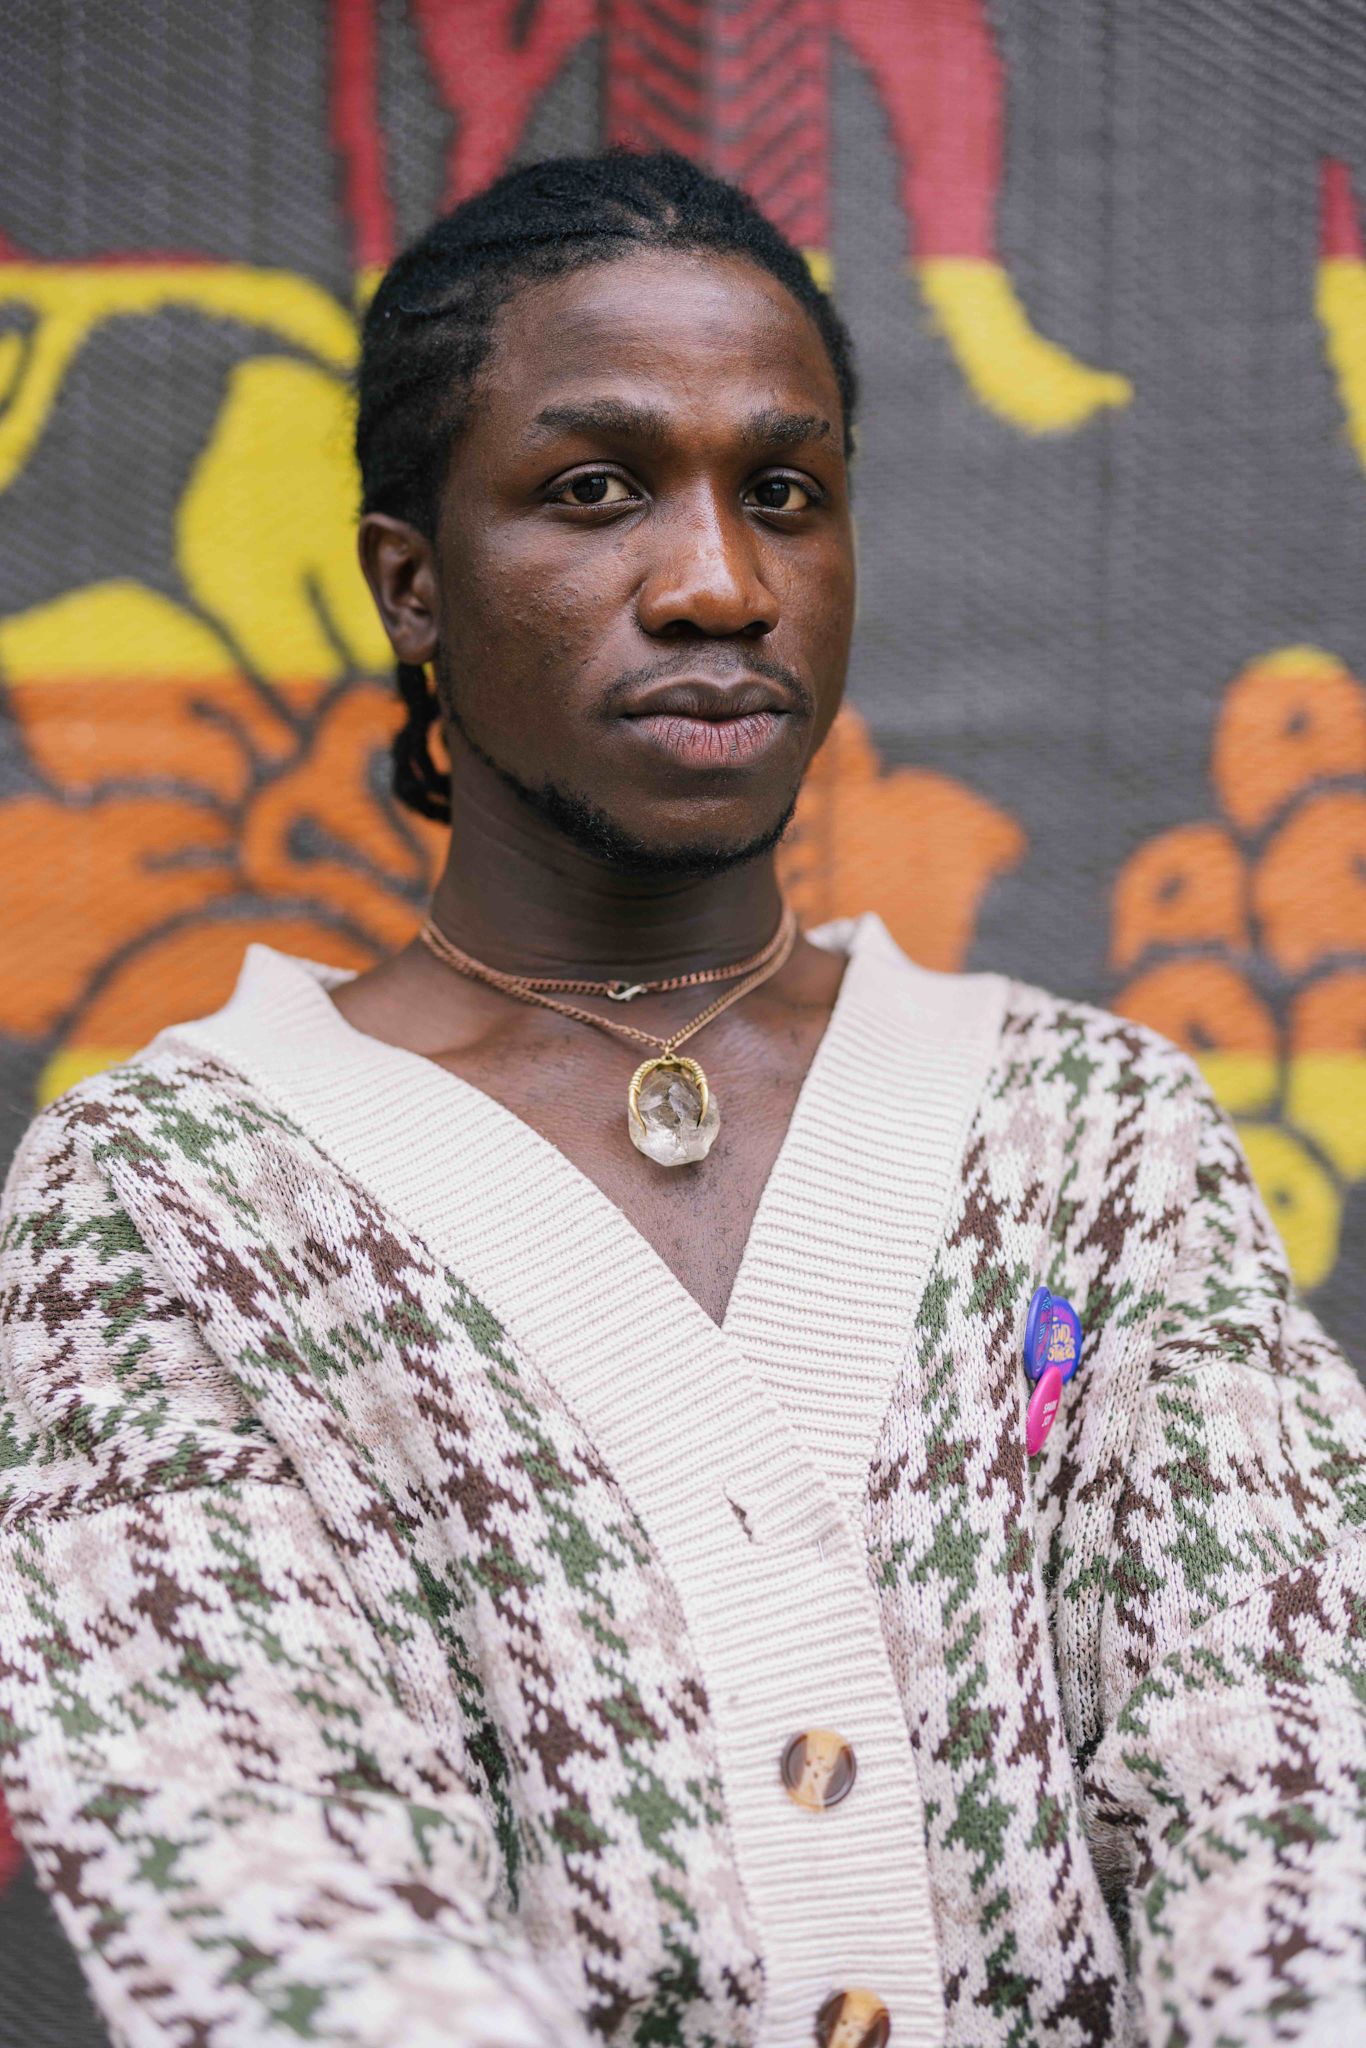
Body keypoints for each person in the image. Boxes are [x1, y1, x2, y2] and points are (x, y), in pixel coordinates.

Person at [1, 147, 1363, 2048]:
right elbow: (256, 1877)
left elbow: (1288, 1791)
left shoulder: (1090, 1129)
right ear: (413, 583)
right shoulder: (177, 1187)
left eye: (784, 494)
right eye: (593, 491)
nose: (719, 582)